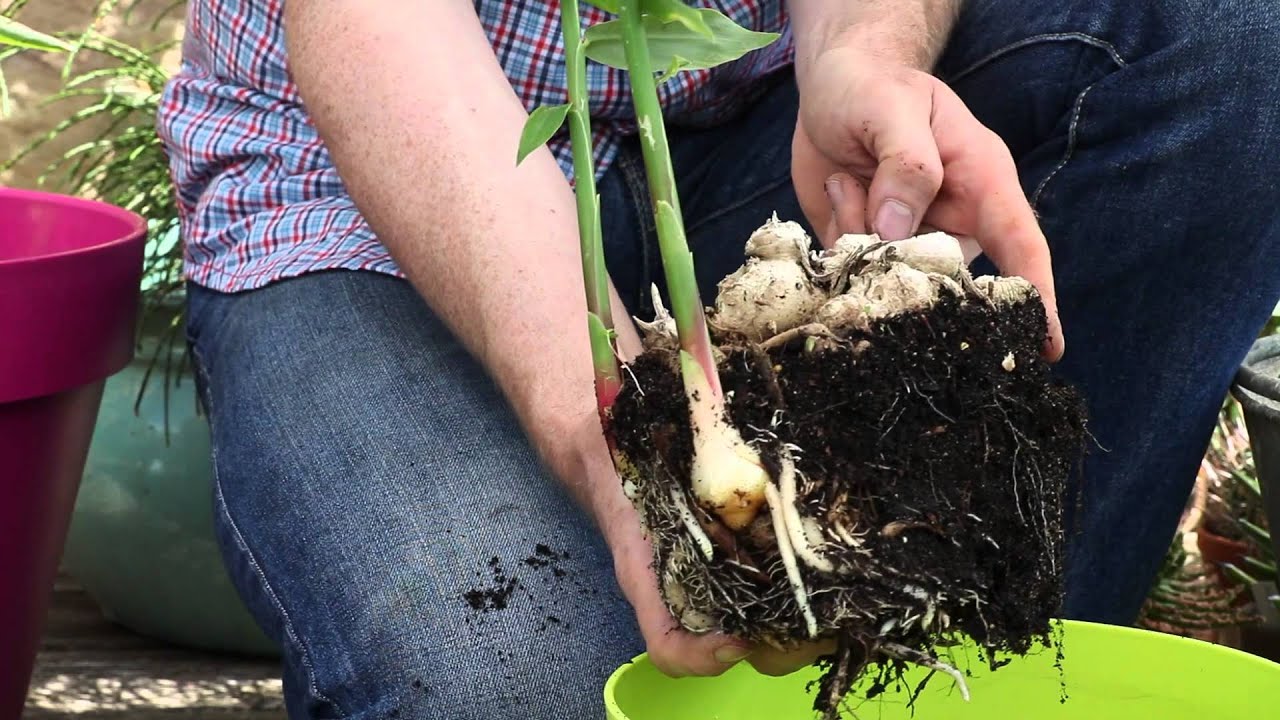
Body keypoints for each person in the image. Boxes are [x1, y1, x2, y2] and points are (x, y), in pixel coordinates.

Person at [156, 1, 1280, 718]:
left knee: (1233, 41)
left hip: (739, 127)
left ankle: (978, 664)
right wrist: (619, 446)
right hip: (367, 192)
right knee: (516, 685)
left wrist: (861, 53)